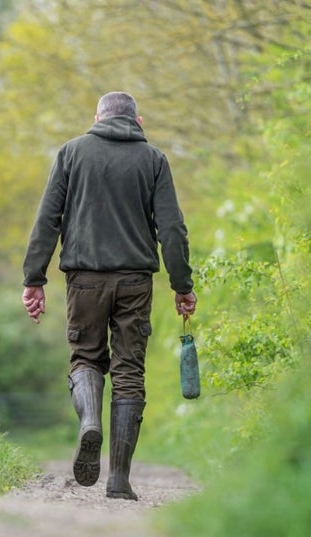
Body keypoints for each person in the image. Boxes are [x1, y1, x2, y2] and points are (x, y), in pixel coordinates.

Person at [21, 91, 197, 501]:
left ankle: (89, 423)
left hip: (84, 278)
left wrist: (34, 278)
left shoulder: (71, 153)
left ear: (97, 117)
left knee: (85, 358)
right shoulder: (153, 160)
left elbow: (48, 218)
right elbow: (172, 229)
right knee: (129, 371)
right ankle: (119, 480)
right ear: (138, 122)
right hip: (135, 281)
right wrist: (182, 285)